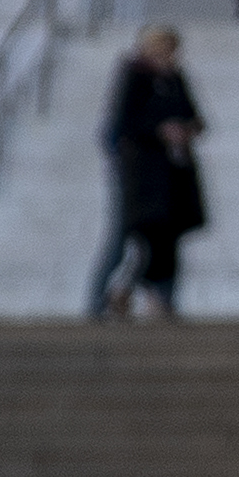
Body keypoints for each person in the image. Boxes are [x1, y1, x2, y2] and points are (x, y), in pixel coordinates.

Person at [85, 25, 208, 319]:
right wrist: (159, 132)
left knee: (165, 240)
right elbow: (121, 125)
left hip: (171, 175)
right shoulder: (134, 77)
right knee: (124, 238)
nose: (170, 56)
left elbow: (197, 117)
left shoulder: (176, 78)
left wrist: (186, 129)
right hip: (137, 175)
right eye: (165, 49)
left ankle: (159, 300)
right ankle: (100, 299)